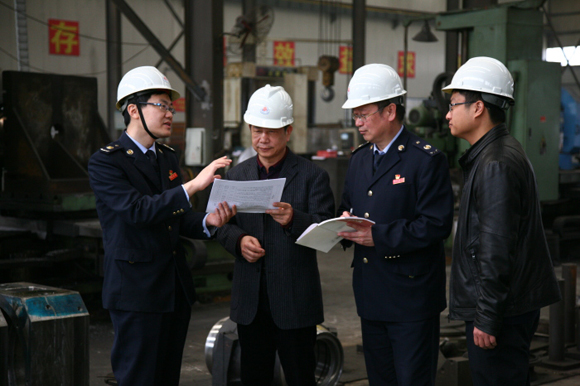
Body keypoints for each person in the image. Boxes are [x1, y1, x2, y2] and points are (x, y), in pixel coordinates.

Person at [88, 66, 236, 386]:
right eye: (162, 105)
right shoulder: (107, 162)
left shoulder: (167, 157)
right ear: (134, 110)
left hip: (173, 290)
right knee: (139, 377)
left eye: (171, 107)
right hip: (136, 293)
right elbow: (138, 211)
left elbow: (176, 217)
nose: (170, 113)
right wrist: (194, 185)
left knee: (167, 377)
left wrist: (208, 222)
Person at [442, 56, 561, 385]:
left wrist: (487, 315)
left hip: (501, 312)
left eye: (454, 105)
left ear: (478, 108)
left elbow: (495, 247)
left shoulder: (495, 163)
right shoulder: (495, 154)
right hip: (506, 306)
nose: (448, 114)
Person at [337, 63, 454, 385]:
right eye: (355, 115)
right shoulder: (360, 159)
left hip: (411, 298)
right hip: (371, 294)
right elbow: (348, 205)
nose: (358, 123)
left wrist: (379, 236)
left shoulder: (425, 160)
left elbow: (436, 224)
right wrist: (343, 224)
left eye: (363, 114)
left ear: (390, 111)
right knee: (380, 379)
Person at [215, 85, 335, 385]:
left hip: (295, 301)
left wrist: (294, 219)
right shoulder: (237, 175)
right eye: (257, 130)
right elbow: (221, 224)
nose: (262, 139)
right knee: (254, 377)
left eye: (271, 131)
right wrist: (239, 241)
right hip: (250, 302)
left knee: (299, 377)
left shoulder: (312, 176)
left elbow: (326, 230)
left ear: (288, 131)